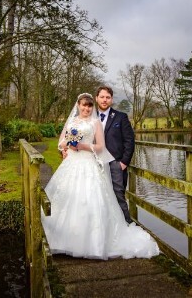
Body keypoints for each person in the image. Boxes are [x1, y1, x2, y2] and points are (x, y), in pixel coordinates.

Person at [42, 93, 159, 260]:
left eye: (89, 106)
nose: (86, 108)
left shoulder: (95, 123)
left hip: (88, 163)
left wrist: (82, 145)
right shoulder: (72, 122)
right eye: (84, 105)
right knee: (69, 198)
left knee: (91, 200)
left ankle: (91, 243)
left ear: (92, 107)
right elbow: (60, 143)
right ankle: (63, 240)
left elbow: (100, 147)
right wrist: (67, 145)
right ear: (78, 105)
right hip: (72, 164)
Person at [95, 86, 135, 224]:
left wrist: (123, 162)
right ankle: (106, 229)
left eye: (108, 97)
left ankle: (127, 226)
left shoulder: (121, 117)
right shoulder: (89, 116)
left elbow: (130, 141)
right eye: (102, 97)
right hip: (94, 164)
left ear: (111, 99)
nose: (105, 100)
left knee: (119, 196)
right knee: (97, 197)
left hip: (116, 164)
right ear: (96, 98)